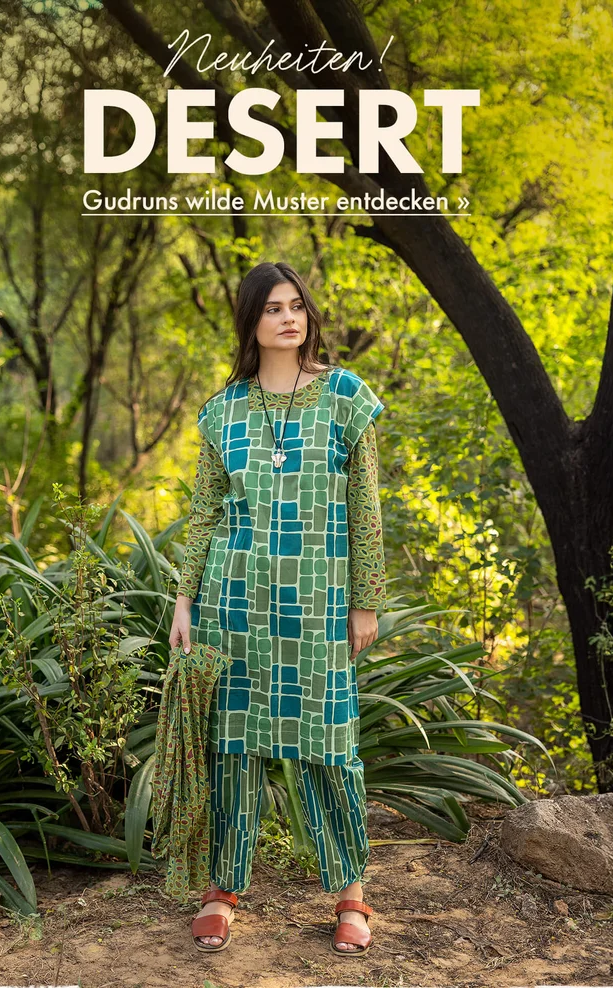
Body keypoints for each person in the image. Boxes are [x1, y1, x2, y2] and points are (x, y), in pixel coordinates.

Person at [169, 260, 386, 956]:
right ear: (251, 322)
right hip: (237, 602)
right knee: (232, 745)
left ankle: (351, 892)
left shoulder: (346, 398)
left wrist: (365, 603)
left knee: (330, 744)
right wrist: (185, 599)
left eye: (296, 305)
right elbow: (203, 513)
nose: (288, 317)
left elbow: (367, 511)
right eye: (272, 308)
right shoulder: (224, 410)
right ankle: (221, 888)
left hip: (319, 602)